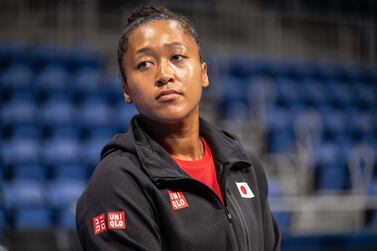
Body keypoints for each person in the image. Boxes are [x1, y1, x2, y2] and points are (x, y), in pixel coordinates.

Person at [76, 5, 280, 251]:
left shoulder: (245, 165)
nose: (164, 74)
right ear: (126, 89)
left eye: (177, 57)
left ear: (204, 73)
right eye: (144, 64)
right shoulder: (116, 182)